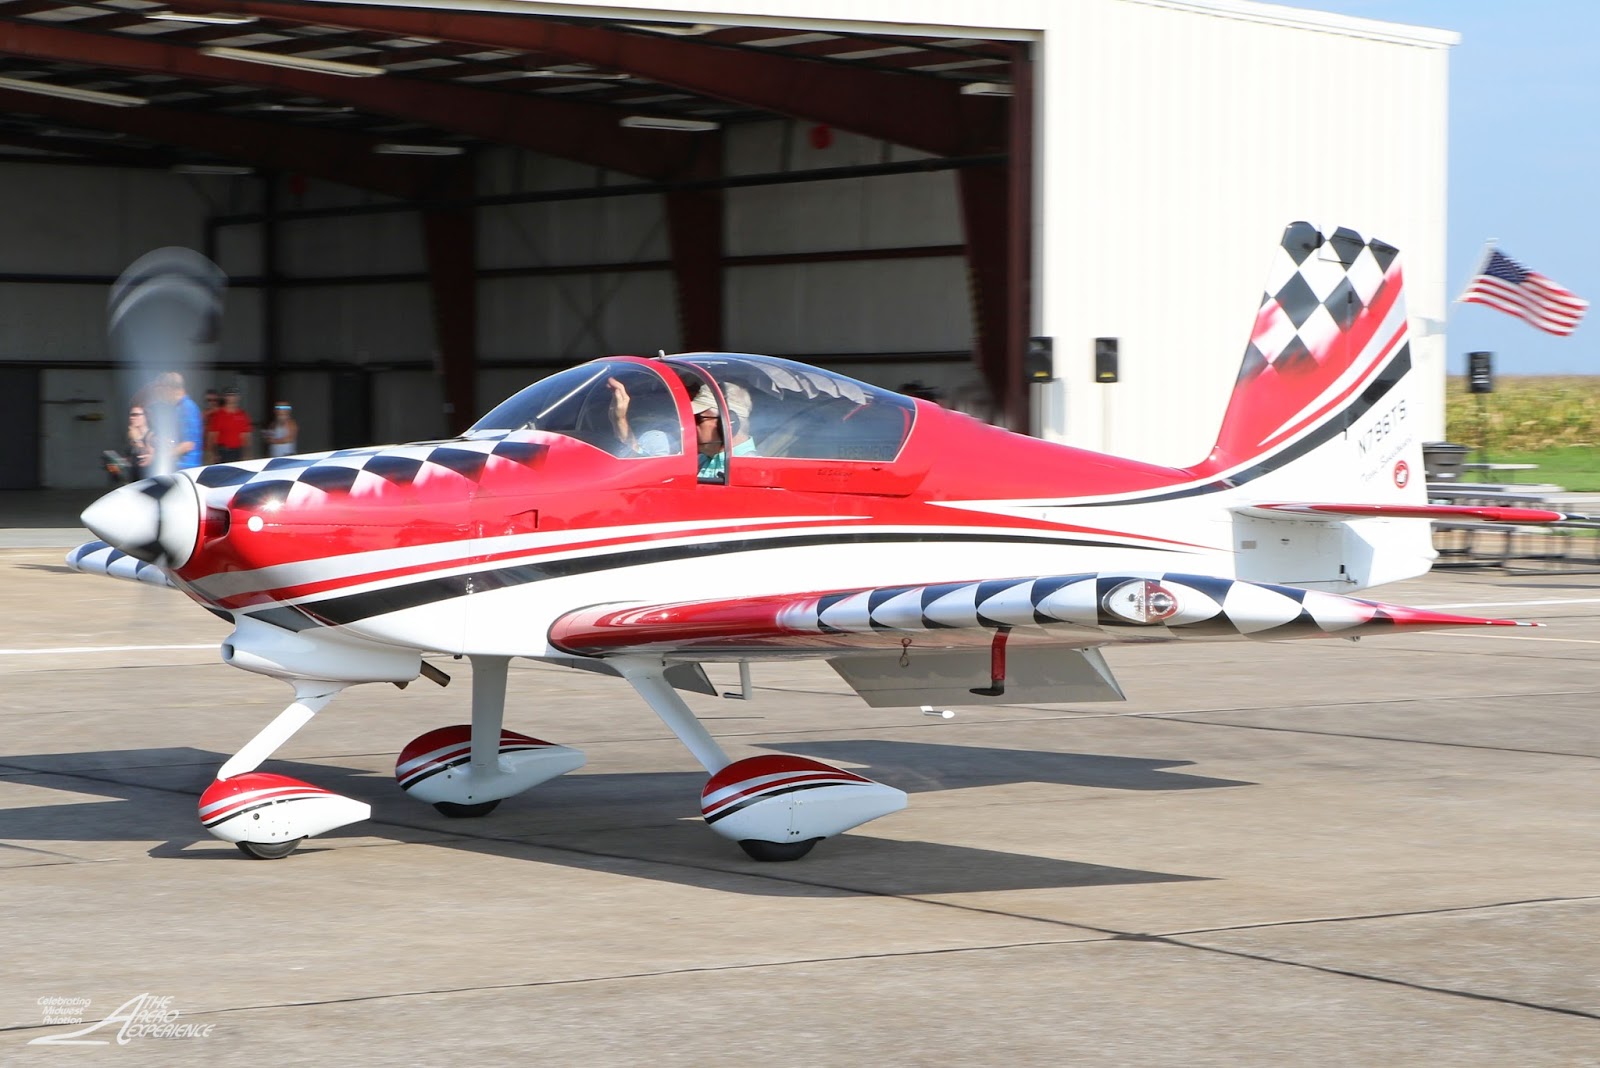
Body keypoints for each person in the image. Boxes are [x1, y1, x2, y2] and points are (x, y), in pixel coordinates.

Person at [692, 381, 756, 481]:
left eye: (697, 419)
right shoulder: (699, 461)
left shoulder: (754, 471)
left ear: (728, 423)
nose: (691, 425)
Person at [154, 371, 202, 471]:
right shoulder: (180, 408)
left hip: (186, 470)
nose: (161, 395)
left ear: (169, 389)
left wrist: (163, 457)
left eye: (162, 391)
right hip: (181, 468)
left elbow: (188, 444)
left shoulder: (187, 408)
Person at [207, 386, 253, 463]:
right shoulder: (218, 415)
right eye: (229, 395)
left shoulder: (243, 415)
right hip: (222, 452)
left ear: (238, 397)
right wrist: (212, 454)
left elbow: (246, 436)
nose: (232, 397)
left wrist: (247, 454)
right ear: (225, 397)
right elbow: (212, 436)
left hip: (238, 452)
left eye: (234, 395)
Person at [200, 388, 221, 463]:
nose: (212, 403)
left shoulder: (221, 412)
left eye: (214, 400)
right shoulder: (204, 413)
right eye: (209, 400)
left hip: (219, 449)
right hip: (205, 449)